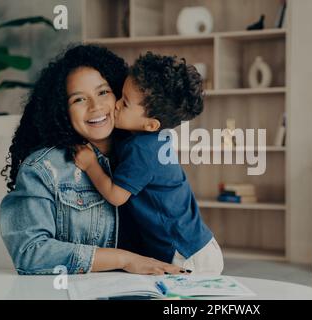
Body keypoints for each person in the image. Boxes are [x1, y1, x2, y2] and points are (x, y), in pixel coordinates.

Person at [0, 45, 184, 275]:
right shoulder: (43, 169)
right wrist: (124, 260)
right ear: (61, 109)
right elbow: (30, 252)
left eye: (103, 92)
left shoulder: (143, 154)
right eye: (78, 99)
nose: (96, 107)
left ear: (119, 94)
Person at [74, 52, 224, 275]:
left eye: (125, 103)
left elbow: (116, 196)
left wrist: (90, 165)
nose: (115, 105)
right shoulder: (149, 139)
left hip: (185, 254)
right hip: (196, 245)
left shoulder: (142, 150)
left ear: (151, 125)